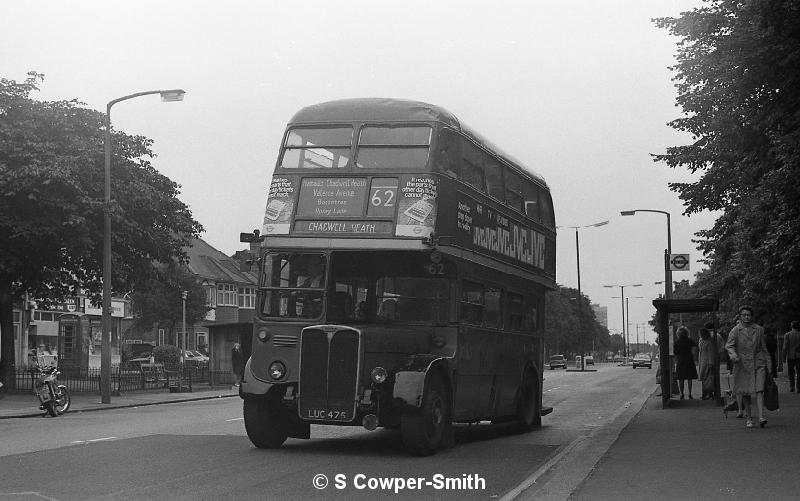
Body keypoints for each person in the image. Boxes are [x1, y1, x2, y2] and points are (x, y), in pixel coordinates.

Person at [726, 305, 770, 428]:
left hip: (758, 363)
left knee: (760, 389)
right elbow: (729, 345)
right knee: (745, 392)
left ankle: (761, 417)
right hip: (742, 364)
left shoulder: (759, 329)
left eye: (749, 315)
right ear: (740, 316)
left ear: (752, 316)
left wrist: (769, 364)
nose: (746, 317)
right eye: (744, 315)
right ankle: (749, 418)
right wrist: (733, 355)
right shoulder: (735, 330)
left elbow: (763, 347)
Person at [673, 327, 698, 399]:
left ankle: (682, 394)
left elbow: (675, 352)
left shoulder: (677, 342)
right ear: (687, 333)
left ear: (678, 333)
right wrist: (693, 355)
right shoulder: (690, 340)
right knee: (689, 377)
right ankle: (690, 393)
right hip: (689, 359)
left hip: (680, 360)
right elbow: (694, 348)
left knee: (681, 378)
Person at [698, 327, 719, 400]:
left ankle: (708, 393)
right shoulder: (702, 340)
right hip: (702, 362)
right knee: (704, 378)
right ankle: (706, 393)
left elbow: (711, 353)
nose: (700, 335)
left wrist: (711, 363)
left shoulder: (709, 342)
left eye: (701, 333)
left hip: (707, 362)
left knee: (707, 378)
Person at [781, 320, 800, 392]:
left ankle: (791, 387)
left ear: (791, 326)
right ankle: (799, 388)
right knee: (799, 372)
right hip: (799, 356)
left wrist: (783, 357)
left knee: (791, 372)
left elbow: (785, 347)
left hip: (790, 356)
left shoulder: (787, 335)